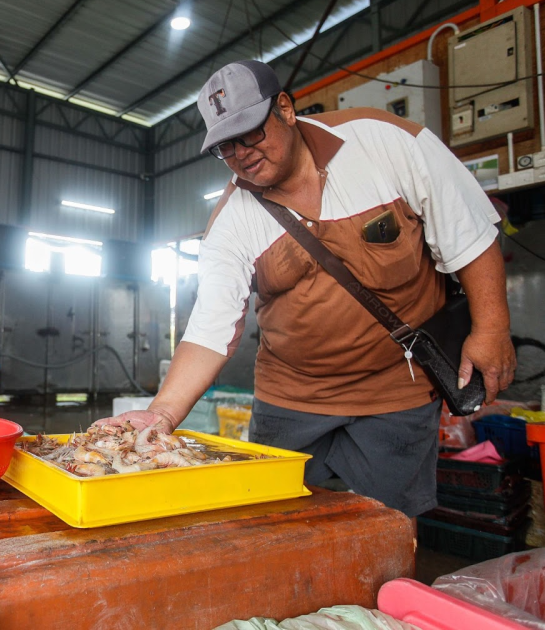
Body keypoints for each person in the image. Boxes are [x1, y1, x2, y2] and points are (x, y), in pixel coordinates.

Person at [99, 60, 516, 518]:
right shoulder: (232, 221)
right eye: (225, 146)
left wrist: (492, 329)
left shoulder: (385, 142)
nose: (241, 153)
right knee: (277, 525)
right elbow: (210, 327)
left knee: (389, 528)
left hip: (397, 390)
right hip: (292, 399)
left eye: (251, 132)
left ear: (285, 108)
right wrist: (162, 413)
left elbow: (469, 234)